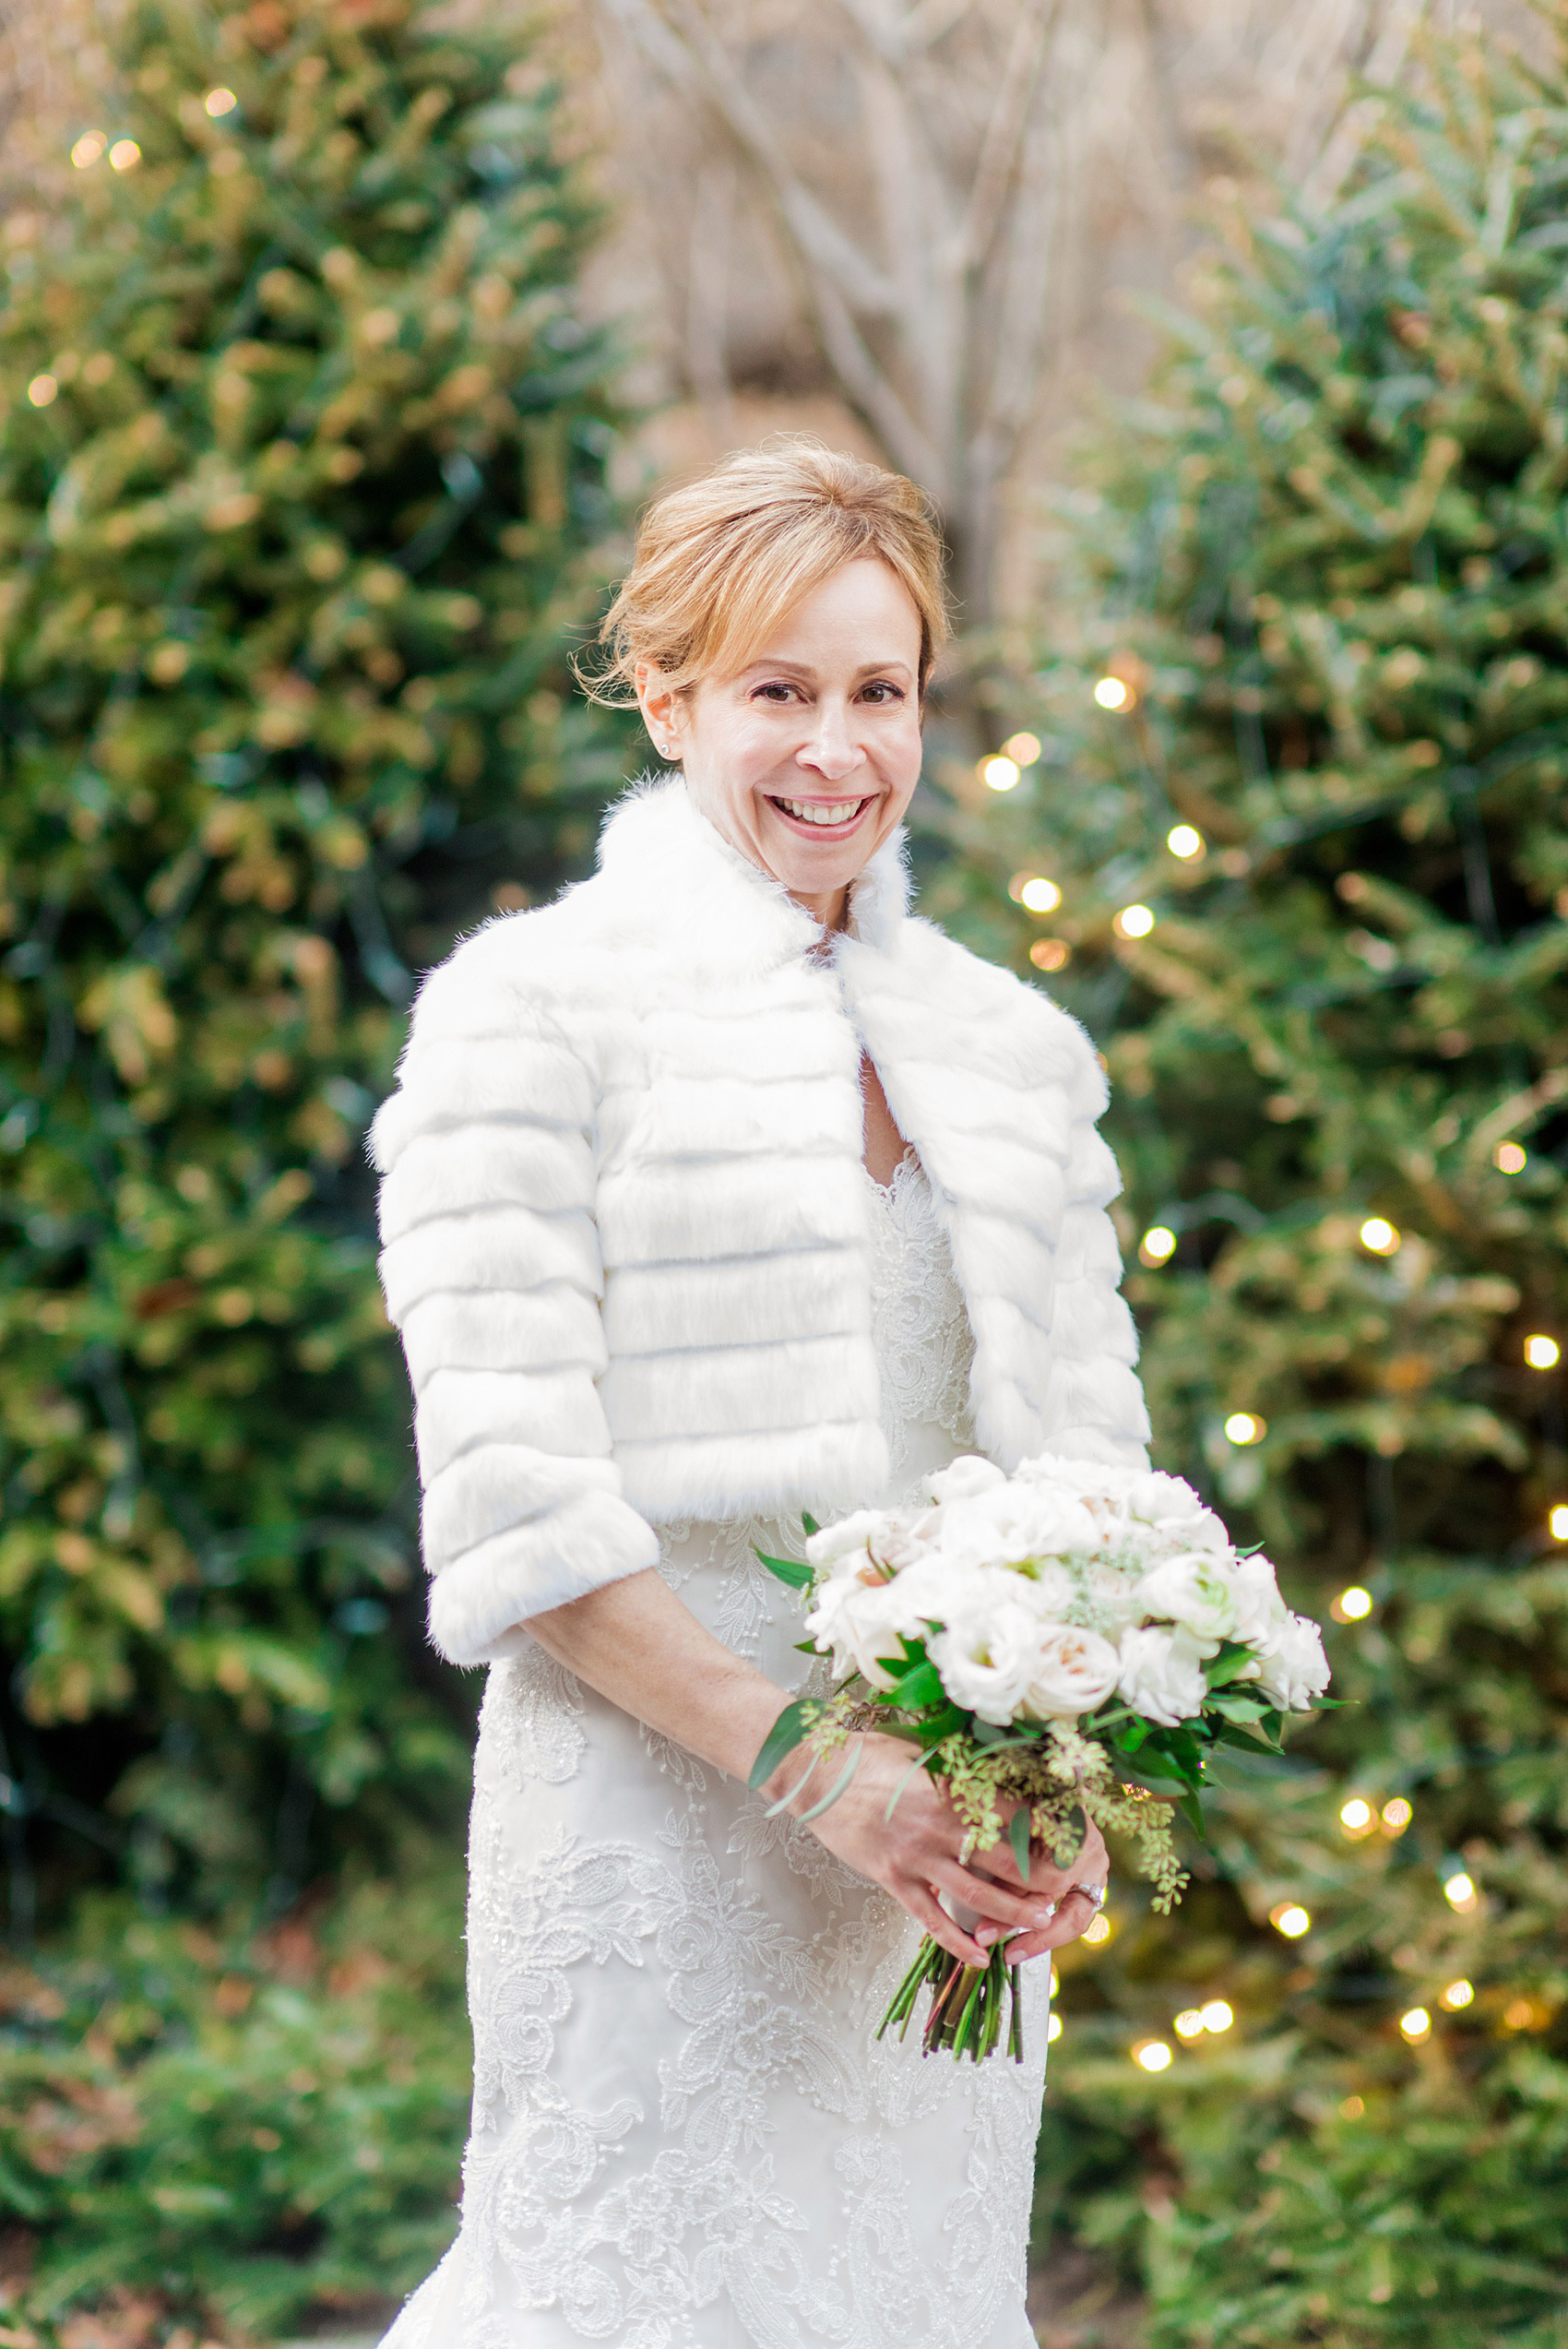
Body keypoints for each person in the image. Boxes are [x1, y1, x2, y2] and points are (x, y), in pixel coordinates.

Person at [370, 440, 1150, 2349]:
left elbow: (1088, 1504)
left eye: (875, 690)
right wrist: (820, 1771)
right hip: (648, 1835)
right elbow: (516, 1516)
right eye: (776, 691)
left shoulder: (1013, 1055)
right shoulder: (530, 1015)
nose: (836, 751)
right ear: (666, 695)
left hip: (931, 1891)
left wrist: (1066, 1783)